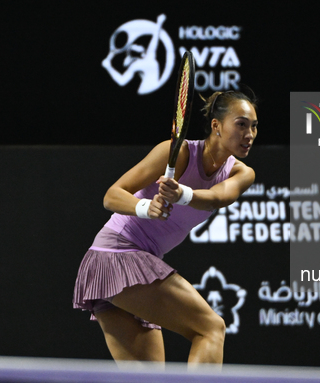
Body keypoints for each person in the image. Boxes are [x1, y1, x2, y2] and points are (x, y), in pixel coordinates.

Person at [73, 90, 258, 365]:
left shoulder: (241, 172)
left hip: (122, 266)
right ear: (216, 125)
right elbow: (112, 196)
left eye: (254, 126)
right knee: (210, 328)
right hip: (116, 255)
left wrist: (181, 194)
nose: (250, 133)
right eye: (241, 124)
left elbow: (218, 198)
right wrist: (146, 208)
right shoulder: (177, 152)